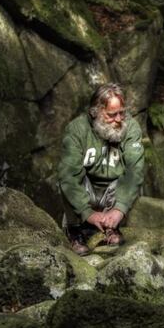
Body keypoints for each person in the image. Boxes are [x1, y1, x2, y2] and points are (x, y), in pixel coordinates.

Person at [57, 83, 145, 255]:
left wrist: (120, 209)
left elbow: (135, 170)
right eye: (112, 115)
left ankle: (111, 227)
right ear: (95, 112)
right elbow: (68, 176)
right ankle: (74, 232)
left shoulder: (131, 127)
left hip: (112, 192)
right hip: (87, 191)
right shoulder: (77, 130)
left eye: (121, 113)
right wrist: (87, 212)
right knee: (67, 177)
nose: (119, 119)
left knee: (131, 177)